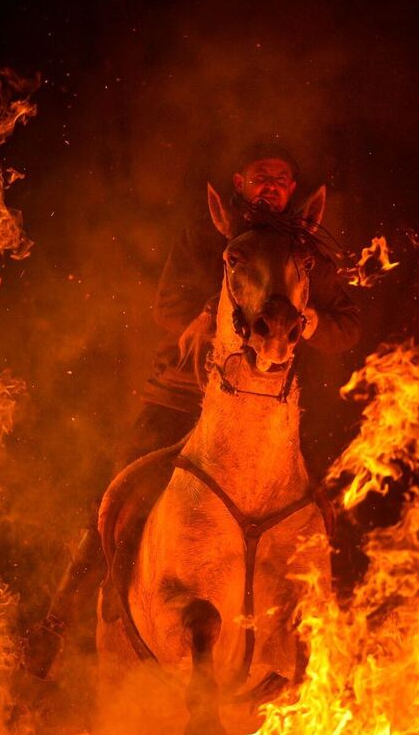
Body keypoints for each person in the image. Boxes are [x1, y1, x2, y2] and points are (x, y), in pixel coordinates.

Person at [24, 142, 361, 678]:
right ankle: (59, 621)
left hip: (270, 405)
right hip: (182, 395)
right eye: (261, 176)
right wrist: (213, 309)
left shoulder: (305, 251)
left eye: (281, 178)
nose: (271, 184)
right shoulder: (205, 236)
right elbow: (169, 306)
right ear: (239, 183)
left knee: (325, 508)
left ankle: (338, 639)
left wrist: (310, 320)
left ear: (294, 191)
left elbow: (347, 325)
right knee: (117, 497)